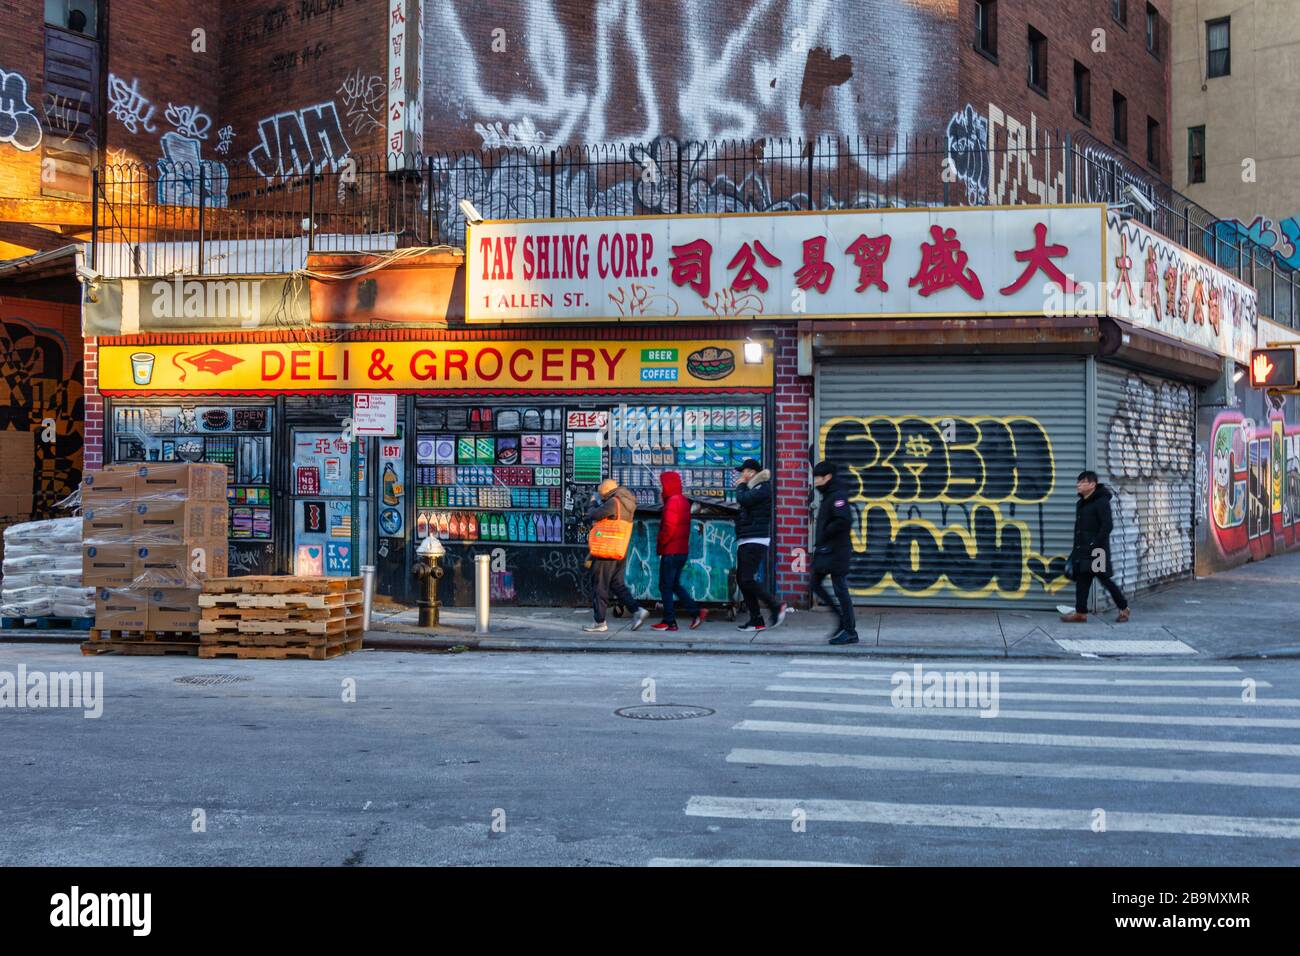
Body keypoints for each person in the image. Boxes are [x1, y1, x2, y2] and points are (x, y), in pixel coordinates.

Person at [1061, 470, 1130, 623]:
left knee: (1105, 579)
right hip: (1083, 549)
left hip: (1097, 550)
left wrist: (1094, 543)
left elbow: (1107, 526)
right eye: (1078, 482)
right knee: (1082, 581)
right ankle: (1081, 613)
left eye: (1082, 482)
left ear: (1092, 484)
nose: (1078, 485)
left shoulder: (1101, 502)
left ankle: (1124, 608)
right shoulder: (1081, 503)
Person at [583, 478, 650, 633]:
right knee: (616, 583)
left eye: (602, 496)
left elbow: (593, 515)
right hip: (620, 548)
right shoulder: (626, 501)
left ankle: (600, 622)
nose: (602, 498)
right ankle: (637, 610)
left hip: (606, 548)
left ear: (606, 492)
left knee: (600, 585)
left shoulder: (614, 502)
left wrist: (593, 502)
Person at [733, 458, 788, 632]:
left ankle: (775, 605)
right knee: (742, 580)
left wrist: (740, 486)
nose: (743, 475)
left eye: (746, 472)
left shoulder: (762, 487)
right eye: (742, 472)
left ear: (754, 473)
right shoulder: (753, 488)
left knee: (747, 579)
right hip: (747, 538)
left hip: (755, 539)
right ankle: (756, 619)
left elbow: (744, 500)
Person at [651, 471, 707, 631]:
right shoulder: (682, 500)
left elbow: (669, 527)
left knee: (665, 586)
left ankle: (669, 621)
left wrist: (660, 543)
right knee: (674, 584)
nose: (660, 487)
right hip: (681, 550)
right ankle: (696, 612)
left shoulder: (672, 502)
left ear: (668, 485)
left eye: (662, 484)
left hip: (671, 551)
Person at [810, 460, 858, 645]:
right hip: (827, 550)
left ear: (827, 477)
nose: (815, 481)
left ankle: (850, 630)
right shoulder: (829, 494)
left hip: (837, 551)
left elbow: (844, 521)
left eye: (818, 478)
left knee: (840, 589)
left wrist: (826, 532)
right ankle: (842, 622)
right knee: (816, 583)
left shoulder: (837, 495)